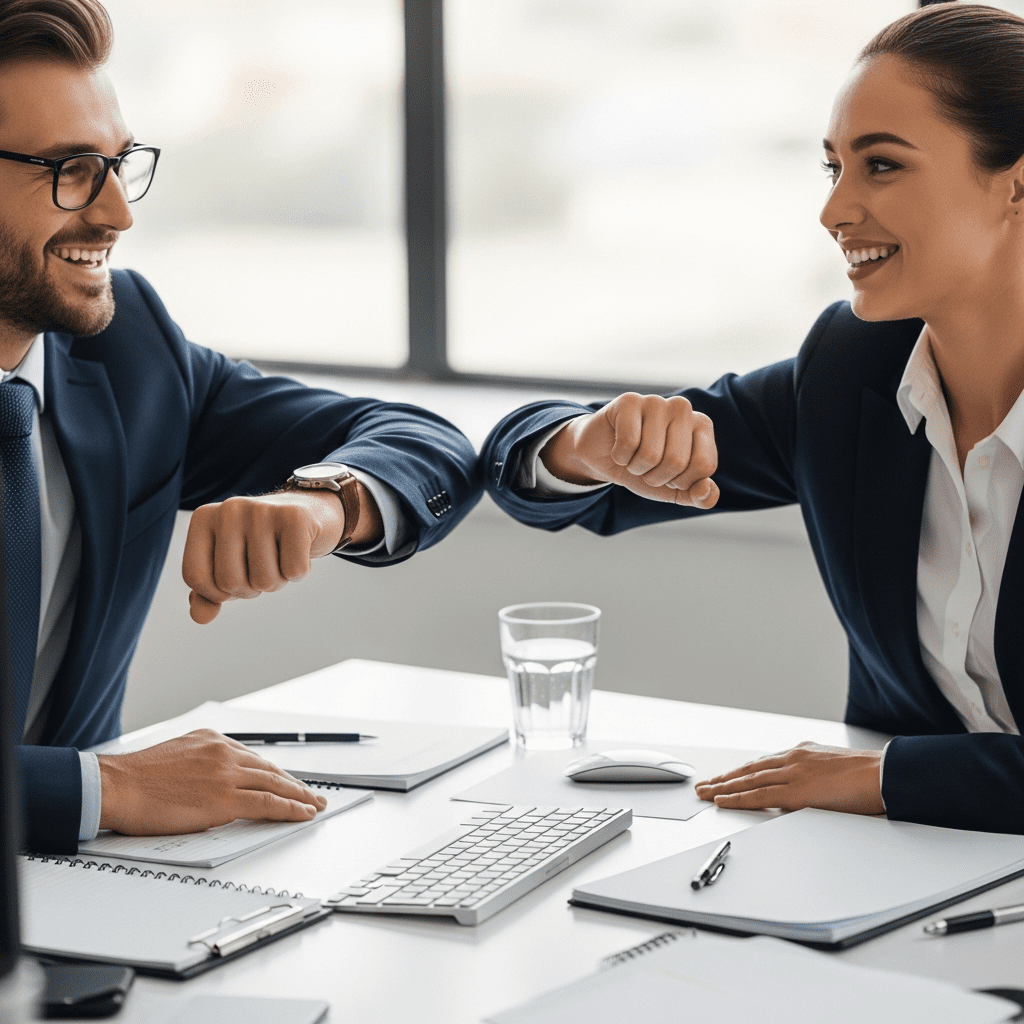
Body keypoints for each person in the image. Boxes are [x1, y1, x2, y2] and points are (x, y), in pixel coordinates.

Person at [482, 3, 1024, 835]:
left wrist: (883, 778)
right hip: (898, 874)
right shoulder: (853, 370)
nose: (835, 210)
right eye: (832, 167)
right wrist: (590, 447)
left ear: (1015, 185)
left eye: (881, 166)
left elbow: (889, 772)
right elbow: (532, 471)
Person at [0, 0, 481, 854]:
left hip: (86, 908)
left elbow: (422, 440)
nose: (117, 214)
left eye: (119, 164)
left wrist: (322, 501)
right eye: (71, 169)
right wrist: (103, 787)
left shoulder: (127, 347)